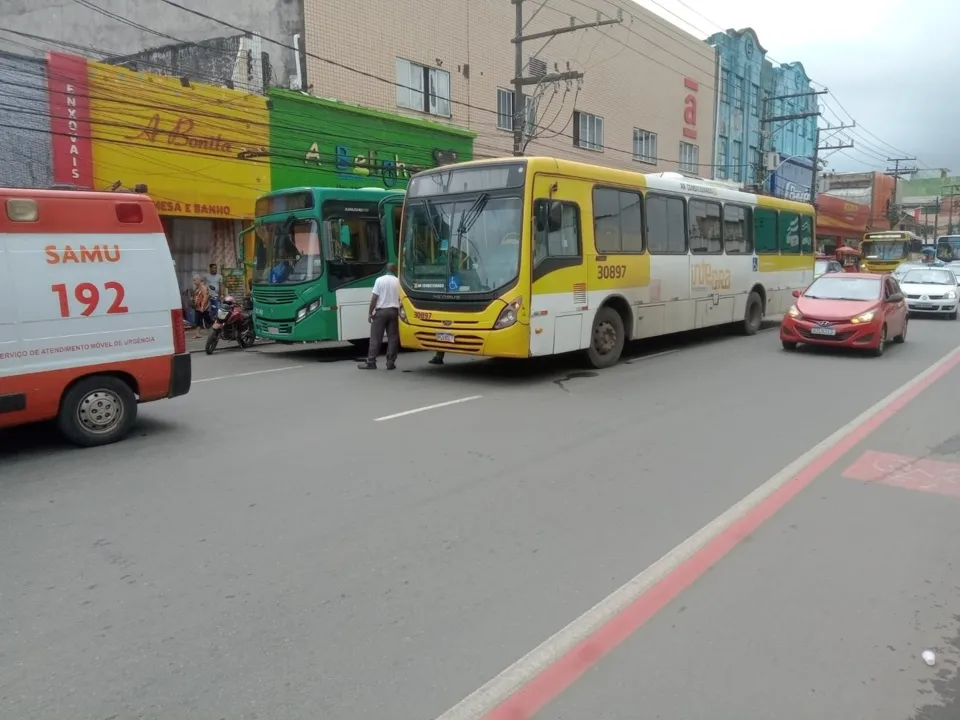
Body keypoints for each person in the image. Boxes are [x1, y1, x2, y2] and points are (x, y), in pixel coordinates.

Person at [358, 263, 401, 370]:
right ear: (395, 270)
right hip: (394, 312)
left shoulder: (380, 280)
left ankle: (371, 361)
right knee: (393, 338)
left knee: (376, 338)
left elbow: (374, 298)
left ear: (386, 270)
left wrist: (370, 312)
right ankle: (390, 362)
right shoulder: (398, 281)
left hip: (381, 312)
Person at [192, 274, 211, 339]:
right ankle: (197, 334)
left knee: (207, 320)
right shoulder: (197, 288)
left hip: (204, 307)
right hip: (198, 307)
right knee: (198, 320)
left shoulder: (203, 287)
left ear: (199, 280)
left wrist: (202, 306)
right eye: (193, 280)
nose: (194, 282)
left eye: (195, 280)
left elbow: (205, 297)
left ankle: (215, 331)